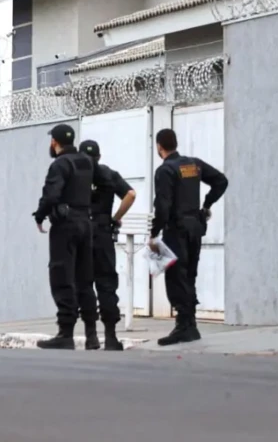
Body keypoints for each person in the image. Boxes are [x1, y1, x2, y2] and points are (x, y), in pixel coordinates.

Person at [32, 124, 112, 350]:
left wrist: (40, 216)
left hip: (65, 226)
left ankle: (65, 333)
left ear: (54, 142)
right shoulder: (87, 161)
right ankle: (91, 335)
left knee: (62, 276)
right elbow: (107, 181)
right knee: (85, 279)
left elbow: (51, 194)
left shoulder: (60, 164)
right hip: (86, 224)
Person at [149, 128, 228, 346]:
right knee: (189, 274)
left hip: (176, 229)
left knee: (176, 276)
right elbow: (221, 181)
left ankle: (184, 326)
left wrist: (154, 232)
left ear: (159, 146)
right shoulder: (194, 164)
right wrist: (206, 205)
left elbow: (163, 205)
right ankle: (190, 325)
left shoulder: (165, 170)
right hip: (195, 227)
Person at [79, 140, 137, 351]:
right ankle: (111, 337)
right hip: (103, 234)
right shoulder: (108, 174)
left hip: (82, 234)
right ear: (99, 157)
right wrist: (115, 217)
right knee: (106, 285)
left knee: (85, 285)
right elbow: (130, 194)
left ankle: (91, 335)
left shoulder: (75, 176)